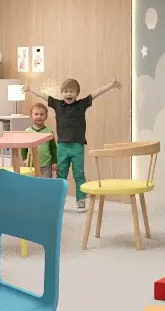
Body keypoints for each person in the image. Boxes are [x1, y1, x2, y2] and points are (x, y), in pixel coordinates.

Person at [26, 77, 121, 211]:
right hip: (62, 147)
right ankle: (60, 200)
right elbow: (44, 96)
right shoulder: (58, 104)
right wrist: (30, 89)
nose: (68, 94)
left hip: (77, 146)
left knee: (79, 174)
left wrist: (111, 85)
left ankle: (81, 200)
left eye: (71, 91)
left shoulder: (82, 104)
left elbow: (96, 93)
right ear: (62, 93)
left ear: (77, 93)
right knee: (61, 175)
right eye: (65, 91)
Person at [21, 101, 59, 177]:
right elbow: (23, 147)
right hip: (31, 165)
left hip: (46, 165)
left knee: (46, 185)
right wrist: (25, 159)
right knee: (32, 185)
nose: (39, 117)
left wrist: (54, 162)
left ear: (46, 116)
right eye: (36, 114)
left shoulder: (49, 132)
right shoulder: (27, 131)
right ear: (31, 115)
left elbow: (53, 148)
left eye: (42, 114)